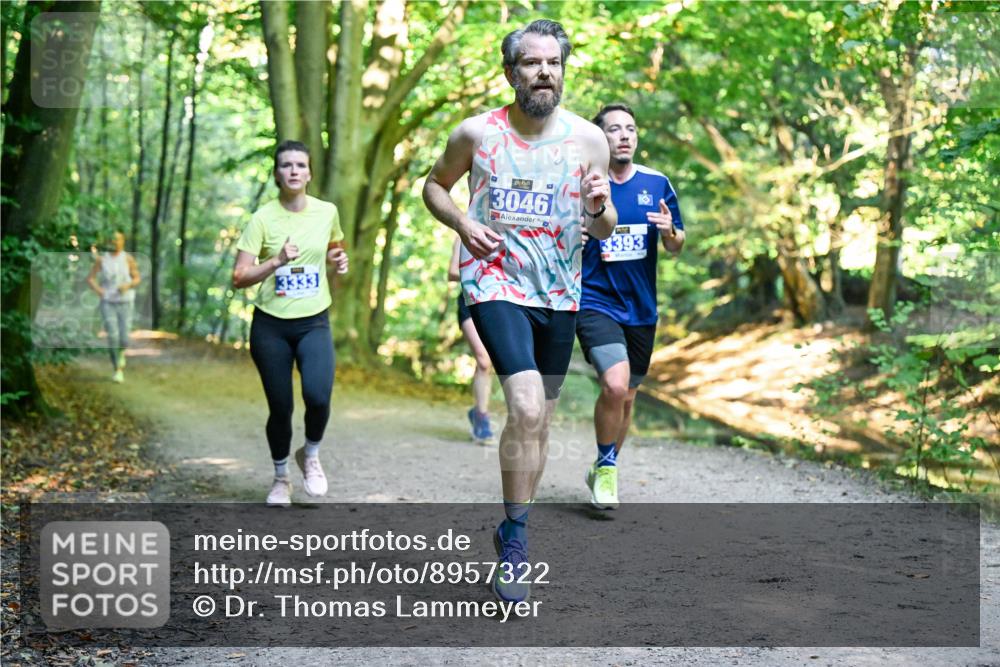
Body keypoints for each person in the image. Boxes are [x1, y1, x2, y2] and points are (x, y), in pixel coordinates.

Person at [422, 19, 616, 602]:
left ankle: (510, 523)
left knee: (539, 420)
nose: (544, 72)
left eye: (553, 62)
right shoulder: (477, 134)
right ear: (511, 72)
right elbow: (434, 186)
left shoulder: (588, 140)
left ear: (563, 69)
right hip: (495, 283)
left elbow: (602, 227)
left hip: (558, 292)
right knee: (525, 403)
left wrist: (602, 208)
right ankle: (517, 545)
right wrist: (462, 221)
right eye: (531, 63)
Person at [578, 103, 685, 509]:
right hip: (595, 300)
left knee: (628, 397)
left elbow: (676, 244)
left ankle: (604, 466)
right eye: (614, 129)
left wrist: (670, 232)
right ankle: (607, 467)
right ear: (599, 138)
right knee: (615, 384)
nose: (624, 135)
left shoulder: (657, 184)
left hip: (641, 308)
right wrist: (577, 237)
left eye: (630, 129)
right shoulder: (585, 184)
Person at [232, 140, 349, 507]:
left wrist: (338, 262)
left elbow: (333, 249)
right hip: (271, 326)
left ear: (310, 172)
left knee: (318, 396)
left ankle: (310, 455)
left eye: (301, 164)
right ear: (277, 174)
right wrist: (276, 261)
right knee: (280, 407)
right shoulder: (262, 218)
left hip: (314, 321)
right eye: (286, 165)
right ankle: (281, 478)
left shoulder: (327, 211)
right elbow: (239, 276)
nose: (294, 170)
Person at [448, 236, 495, 444]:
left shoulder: (505, 233)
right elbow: (452, 272)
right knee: (483, 359)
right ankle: (482, 419)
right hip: (470, 301)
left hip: (497, 303)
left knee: (489, 362)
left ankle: (479, 411)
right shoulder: (464, 235)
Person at [87, 231, 141, 383]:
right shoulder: (102, 260)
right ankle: (117, 369)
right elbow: (90, 279)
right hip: (108, 302)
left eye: (117, 239)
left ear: (123, 241)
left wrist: (128, 285)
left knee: (124, 338)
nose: (114, 242)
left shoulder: (128, 259)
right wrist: (100, 291)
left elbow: (137, 278)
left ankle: (121, 353)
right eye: (112, 240)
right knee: (112, 335)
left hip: (126, 302)